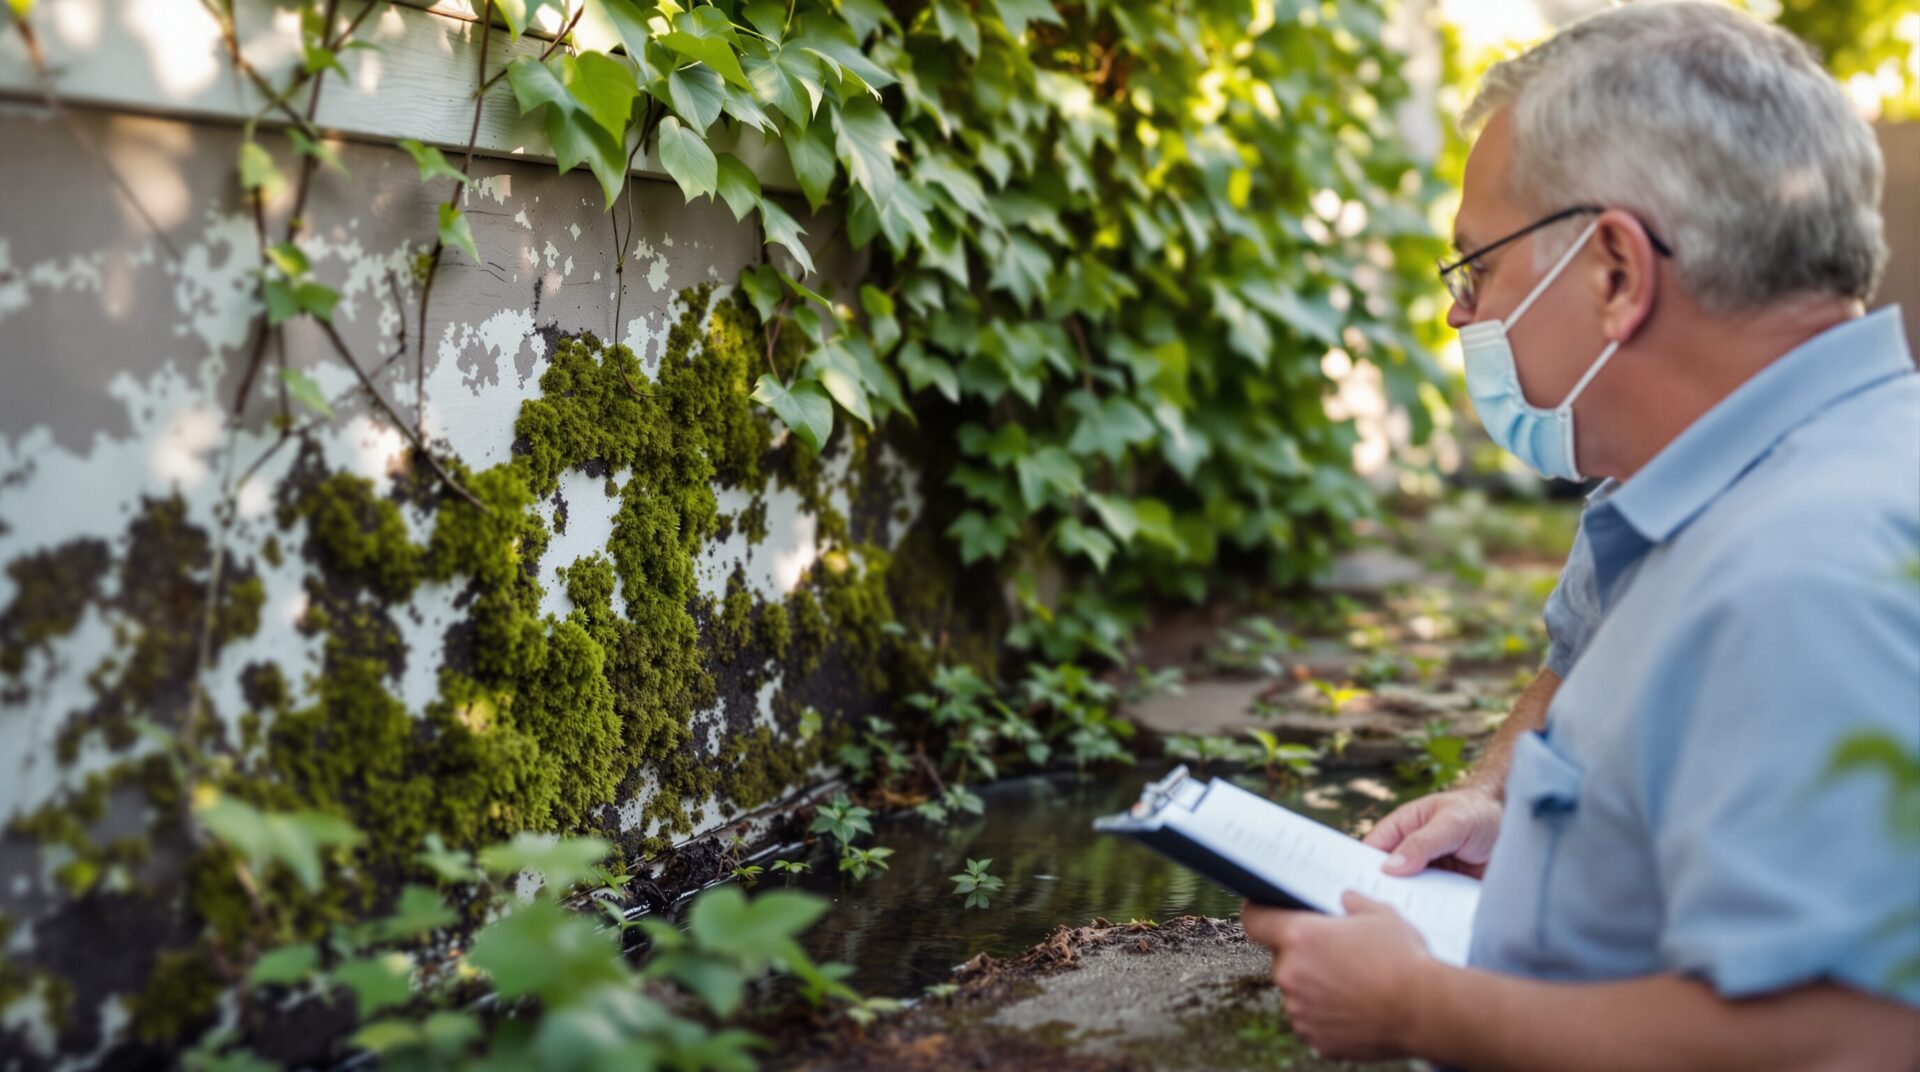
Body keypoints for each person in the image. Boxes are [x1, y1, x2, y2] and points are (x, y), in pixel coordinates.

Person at [1239, 4, 1920, 1068]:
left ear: (1615, 273)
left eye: (1476, 266)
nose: (1462, 315)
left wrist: (1418, 1008)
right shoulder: (1713, 483)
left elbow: (1850, 1040)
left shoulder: (1804, 573)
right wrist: (1511, 810)